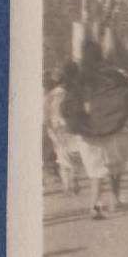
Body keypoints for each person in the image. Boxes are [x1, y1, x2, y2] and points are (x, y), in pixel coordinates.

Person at [65, 40, 128, 219]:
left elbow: (69, 104)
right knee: (115, 166)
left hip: (88, 130)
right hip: (113, 128)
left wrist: (78, 123)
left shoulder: (80, 78)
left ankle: (95, 206)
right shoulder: (113, 75)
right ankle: (115, 200)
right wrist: (118, 116)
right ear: (101, 54)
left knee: (94, 171)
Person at [43, 64, 82, 193]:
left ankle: (67, 184)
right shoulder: (73, 92)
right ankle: (74, 177)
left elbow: (46, 113)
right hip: (71, 125)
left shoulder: (51, 95)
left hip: (55, 127)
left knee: (61, 153)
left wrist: (48, 126)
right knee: (75, 153)